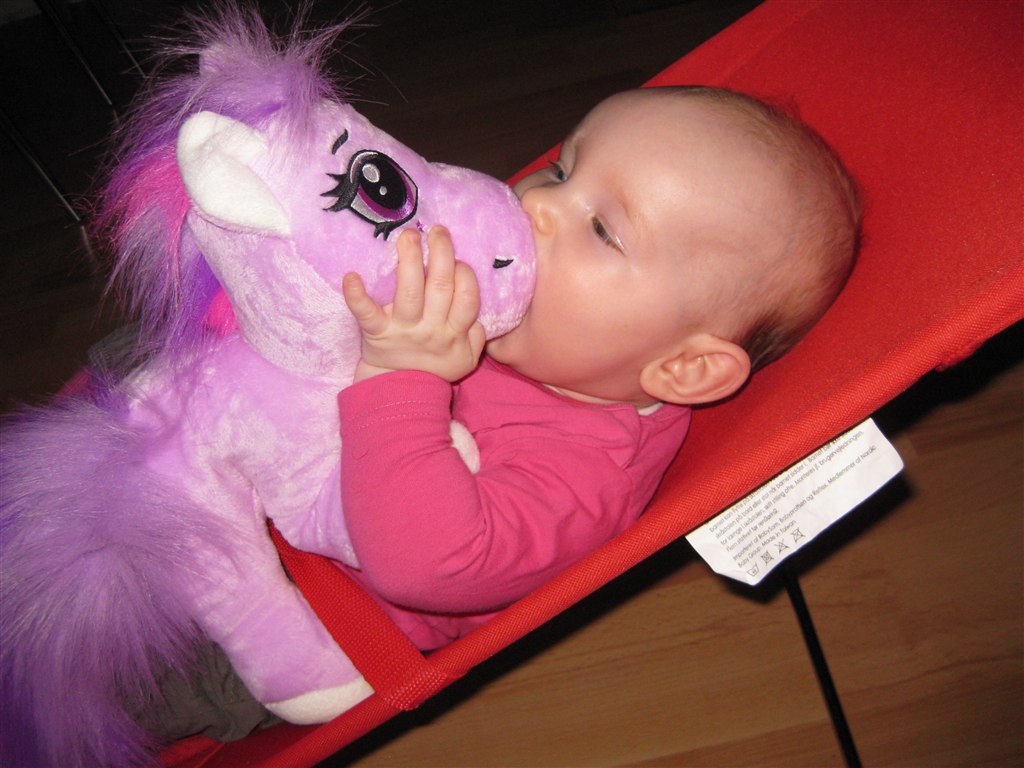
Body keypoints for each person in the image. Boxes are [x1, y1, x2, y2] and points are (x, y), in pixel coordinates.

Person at [146, 85, 860, 740]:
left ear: (684, 368)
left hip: (287, 617)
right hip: (237, 440)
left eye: (602, 230)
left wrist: (401, 375)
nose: (538, 204)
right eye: (561, 168)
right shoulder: (530, 312)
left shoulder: (587, 479)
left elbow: (425, 563)